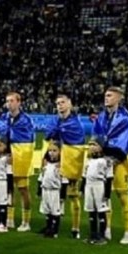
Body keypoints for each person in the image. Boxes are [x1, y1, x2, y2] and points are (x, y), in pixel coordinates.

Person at [92, 86, 128, 245]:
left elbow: (125, 144)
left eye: (109, 95)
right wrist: (94, 148)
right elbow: (95, 136)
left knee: (123, 197)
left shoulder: (126, 119)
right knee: (105, 197)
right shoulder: (101, 117)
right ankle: (107, 228)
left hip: (120, 162)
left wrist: (103, 150)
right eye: (105, 95)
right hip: (103, 161)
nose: (106, 98)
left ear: (118, 98)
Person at [45, 94, 86, 239]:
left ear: (69, 104)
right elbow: (48, 135)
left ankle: (75, 228)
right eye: (57, 103)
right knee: (54, 195)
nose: (60, 105)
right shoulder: (55, 120)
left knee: (73, 196)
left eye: (62, 102)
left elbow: (77, 143)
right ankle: (52, 226)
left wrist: (58, 130)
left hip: (71, 163)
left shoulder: (76, 123)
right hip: (56, 163)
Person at [0, 92, 35, 232]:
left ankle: (26, 221)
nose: (9, 103)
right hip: (7, 158)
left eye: (12, 101)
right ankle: (10, 219)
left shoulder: (26, 120)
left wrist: (16, 155)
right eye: (7, 101)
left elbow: (29, 143)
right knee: (8, 189)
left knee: (23, 189)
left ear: (19, 102)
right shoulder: (4, 118)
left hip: (20, 158)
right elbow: (2, 137)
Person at [83, 140, 113, 246]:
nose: (91, 147)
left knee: (101, 211)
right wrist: (82, 189)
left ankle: (101, 235)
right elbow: (84, 175)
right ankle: (93, 234)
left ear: (100, 147)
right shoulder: (88, 160)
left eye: (94, 144)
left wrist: (107, 194)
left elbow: (109, 178)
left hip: (99, 186)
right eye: (90, 145)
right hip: (89, 186)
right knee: (91, 211)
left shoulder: (106, 161)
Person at [39, 143, 64, 238]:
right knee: (47, 210)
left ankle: (54, 230)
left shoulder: (61, 166)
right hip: (45, 189)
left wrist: (62, 195)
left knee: (55, 211)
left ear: (60, 152)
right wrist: (39, 190)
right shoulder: (46, 164)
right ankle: (48, 227)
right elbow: (41, 177)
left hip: (55, 191)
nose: (51, 153)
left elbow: (64, 181)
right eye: (50, 150)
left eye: (54, 151)